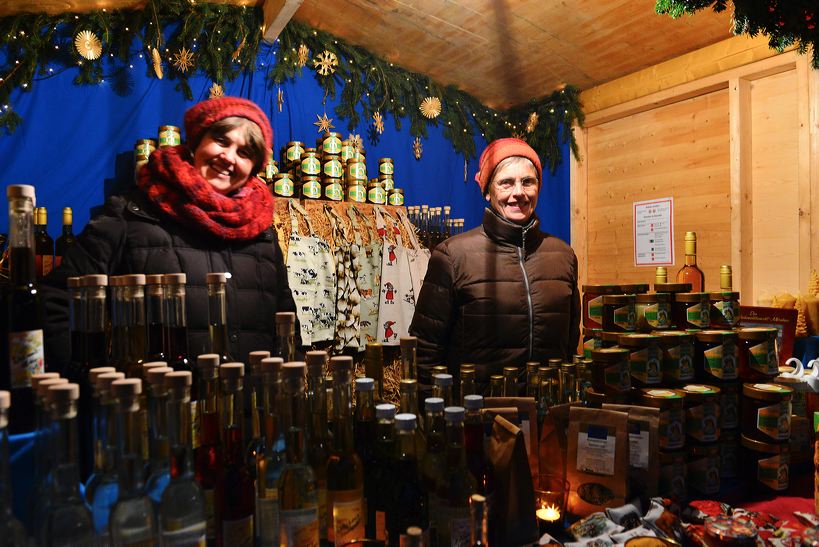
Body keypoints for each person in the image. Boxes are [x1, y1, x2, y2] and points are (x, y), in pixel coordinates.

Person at [42, 96, 297, 367]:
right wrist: (89, 384)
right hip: (162, 403)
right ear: (196, 142)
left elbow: (286, 322)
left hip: (252, 405)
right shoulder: (133, 213)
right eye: (221, 141)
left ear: (253, 169)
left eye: (245, 153)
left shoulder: (261, 230)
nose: (229, 157)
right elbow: (57, 302)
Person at [409, 137, 580, 394]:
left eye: (528, 181)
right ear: (488, 191)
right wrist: (434, 418)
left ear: (538, 187)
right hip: (477, 419)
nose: (518, 192)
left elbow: (568, 344)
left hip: (546, 416)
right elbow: (425, 350)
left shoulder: (563, 255)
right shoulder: (453, 256)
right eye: (506, 182)